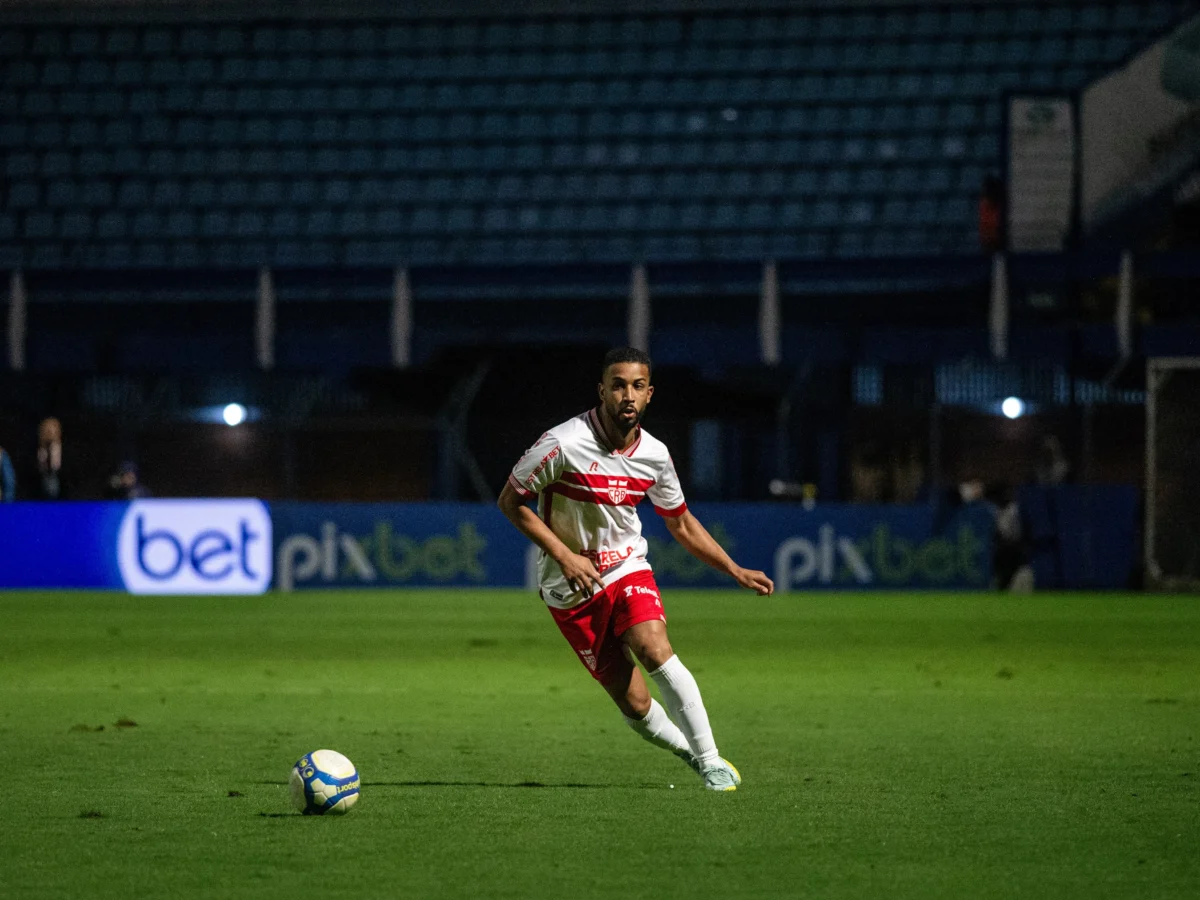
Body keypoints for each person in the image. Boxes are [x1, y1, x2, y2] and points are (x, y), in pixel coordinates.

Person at [496, 347, 774, 792]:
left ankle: (710, 760)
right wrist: (566, 556)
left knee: (652, 646)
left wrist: (734, 569)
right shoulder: (561, 444)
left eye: (638, 386)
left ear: (649, 395)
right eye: (619, 384)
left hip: (627, 567)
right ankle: (687, 750)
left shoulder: (656, 456)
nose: (628, 394)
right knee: (636, 703)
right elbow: (511, 501)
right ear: (602, 390)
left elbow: (680, 522)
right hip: (568, 587)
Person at [35, 417, 65, 500]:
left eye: (52, 429)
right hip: (42, 479)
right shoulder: (40, 448)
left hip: (60, 480)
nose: (50, 432)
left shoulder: (60, 447)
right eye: (47, 430)